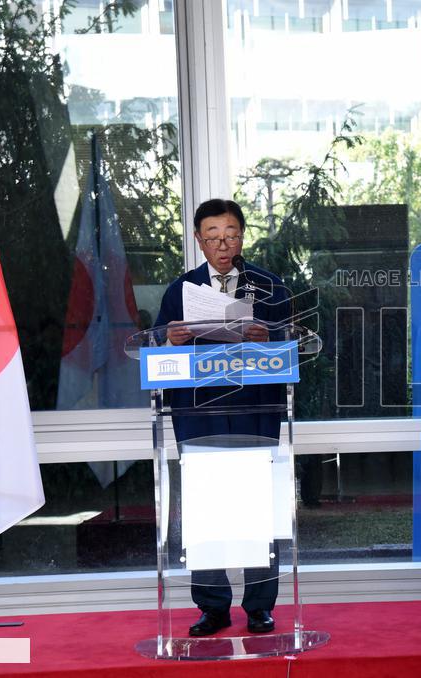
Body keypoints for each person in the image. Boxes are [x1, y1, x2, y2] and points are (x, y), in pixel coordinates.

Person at [154, 198, 290, 637]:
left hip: (255, 410)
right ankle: (212, 608)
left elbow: (294, 339)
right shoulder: (180, 289)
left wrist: (269, 335)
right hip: (198, 413)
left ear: (242, 235)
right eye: (212, 237)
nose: (222, 244)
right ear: (198, 240)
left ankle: (259, 608)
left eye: (230, 234)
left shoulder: (269, 286)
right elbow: (155, 343)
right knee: (207, 510)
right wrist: (170, 337)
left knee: (255, 510)